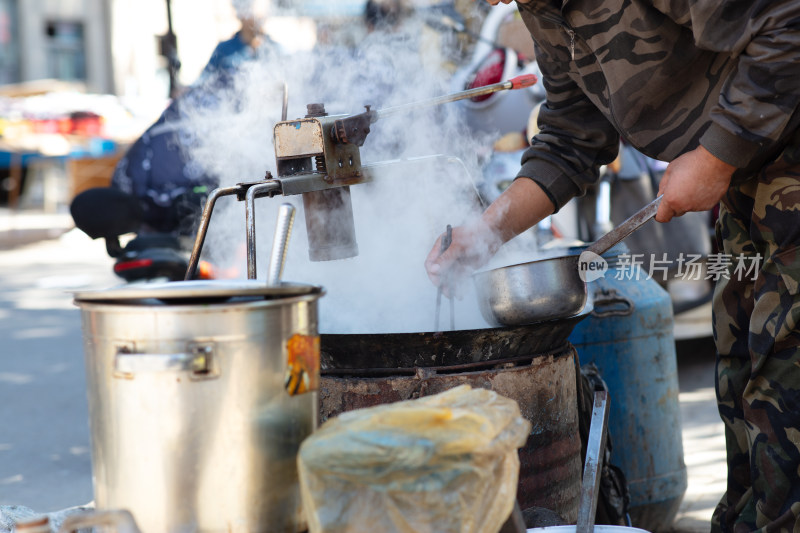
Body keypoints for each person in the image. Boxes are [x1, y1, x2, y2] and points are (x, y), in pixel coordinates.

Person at [425, 0, 800, 531]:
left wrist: (717, 155)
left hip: (785, 153)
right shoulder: (540, 10)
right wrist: (483, 235)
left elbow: (787, 23)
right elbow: (571, 137)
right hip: (751, 188)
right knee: (743, 387)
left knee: (785, 393)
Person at [110, 0, 279, 237]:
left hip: (259, 133)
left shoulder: (274, 49)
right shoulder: (225, 50)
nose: (254, 14)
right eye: (248, 8)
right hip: (226, 134)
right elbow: (204, 86)